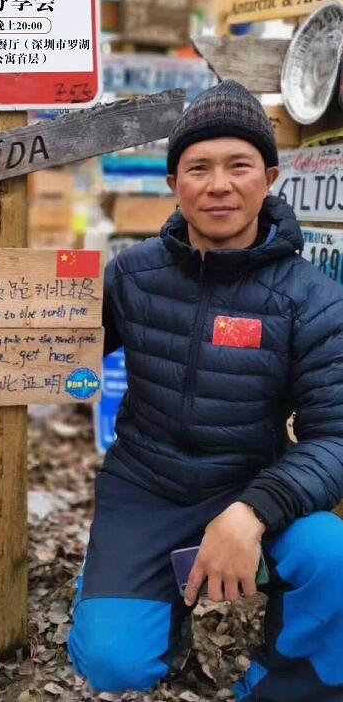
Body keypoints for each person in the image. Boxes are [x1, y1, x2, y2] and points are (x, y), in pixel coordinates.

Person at [67, 80, 343, 702]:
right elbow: (48, 349)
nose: (219, 185)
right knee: (112, 666)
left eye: (238, 166)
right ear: (175, 184)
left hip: (248, 486)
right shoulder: (132, 275)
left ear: (269, 179)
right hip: (144, 490)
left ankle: (278, 687)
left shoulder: (314, 300)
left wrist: (253, 512)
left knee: (333, 555)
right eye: (198, 168)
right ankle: (134, 597)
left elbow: (336, 437)